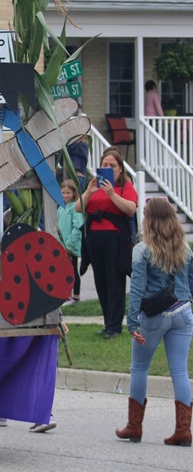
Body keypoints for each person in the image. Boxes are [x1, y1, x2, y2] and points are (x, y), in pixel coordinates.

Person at [116, 198, 192, 446]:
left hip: (154, 316)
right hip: (183, 313)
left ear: (147, 219)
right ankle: (184, 430)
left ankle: (134, 427)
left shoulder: (142, 250)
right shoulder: (185, 247)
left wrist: (132, 324)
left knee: (139, 367)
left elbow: (137, 289)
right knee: (180, 371)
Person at [78, 147, 137, 339]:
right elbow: (79, 208)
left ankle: (115, 326)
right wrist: (88, 191)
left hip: (114, 238)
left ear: (120, 168)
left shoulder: (124, 186)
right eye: (105, 165)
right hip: (94, 238)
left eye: (112, 165)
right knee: (101, 281)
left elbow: (131, 209)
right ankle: (107, 323)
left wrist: (112, 194)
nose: (108, 168)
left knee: (115, 281)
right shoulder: (94, 185)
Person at [58, 180, 84, 305]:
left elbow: (78, 227)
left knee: (73, 271)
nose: (65, 195)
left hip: (70, 247)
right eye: (63, 193)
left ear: (73, 193)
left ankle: (76, 295)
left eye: (68, 193)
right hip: (61, 246)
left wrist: (69, 245)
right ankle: (67, 295)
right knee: (63, 271)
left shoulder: (75, 207)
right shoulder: (61, 208)